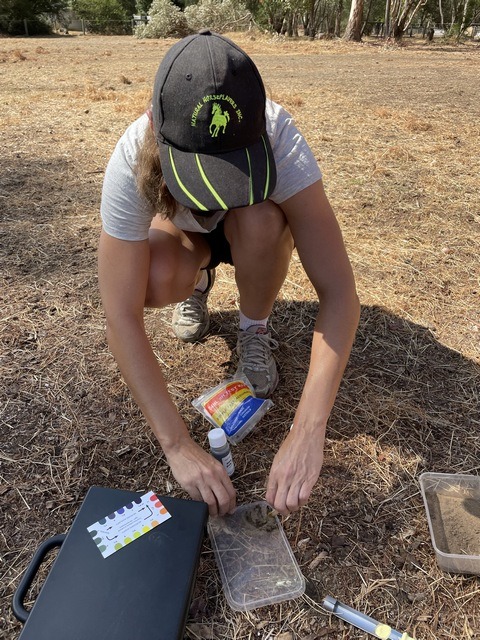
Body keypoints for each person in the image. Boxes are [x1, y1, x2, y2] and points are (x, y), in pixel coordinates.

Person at [98, 30, 360, 518]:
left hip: (250, 231)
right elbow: (120, 314)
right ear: (157, 126)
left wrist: (307, 431)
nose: (215, 196)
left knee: (259, 218)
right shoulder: (133, 154)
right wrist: (178, 445)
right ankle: (197, 281)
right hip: (182, 238)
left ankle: (252, 327)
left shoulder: (281, 137)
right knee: (152, 276)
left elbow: (340, 291)